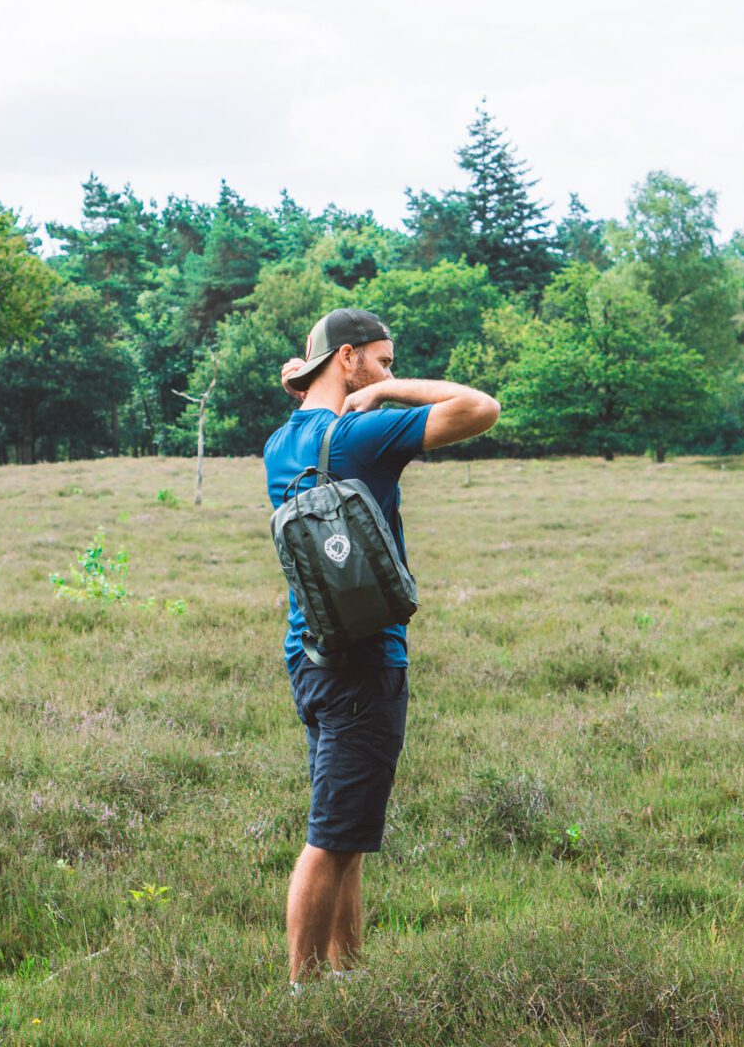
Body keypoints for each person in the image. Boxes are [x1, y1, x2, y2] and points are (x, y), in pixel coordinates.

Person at [264, 307, 501, 985]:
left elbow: (310, 419)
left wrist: (317, 390)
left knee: (349, 835)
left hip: (309, 653)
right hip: (367, 660)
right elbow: (481, 408)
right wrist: (385, 393)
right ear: (349, 358)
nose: (390, 372)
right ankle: (304, 992)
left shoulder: (282, 442)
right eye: (385, 360)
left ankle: (348, 975)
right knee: (331, 838)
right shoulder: (362, 434)